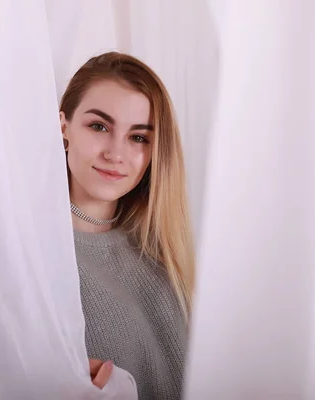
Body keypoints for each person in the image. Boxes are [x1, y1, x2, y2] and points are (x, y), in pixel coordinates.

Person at [59, 52, 195, 400]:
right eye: (99, 126)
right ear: (64, 129)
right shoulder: (29, 255)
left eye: (138, 137)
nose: (115, 154)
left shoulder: (164, 251)